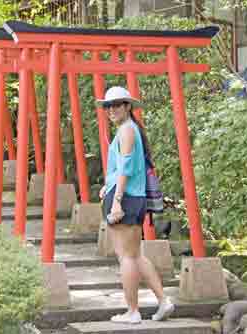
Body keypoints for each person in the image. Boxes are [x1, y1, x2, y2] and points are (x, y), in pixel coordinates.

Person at [97, 86, 175, 324]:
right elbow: (122, 169)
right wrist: (109, 186)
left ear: (128, 106)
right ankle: (163, 301)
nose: (111, 110)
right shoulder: (129, 129)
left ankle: (132, 311)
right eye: (108, 106)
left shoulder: (127, 130)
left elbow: (127, 169)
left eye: (117, 105)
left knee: (127, 257)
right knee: (136, 255)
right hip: (132, 196)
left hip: (127, 198)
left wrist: (117, 200)